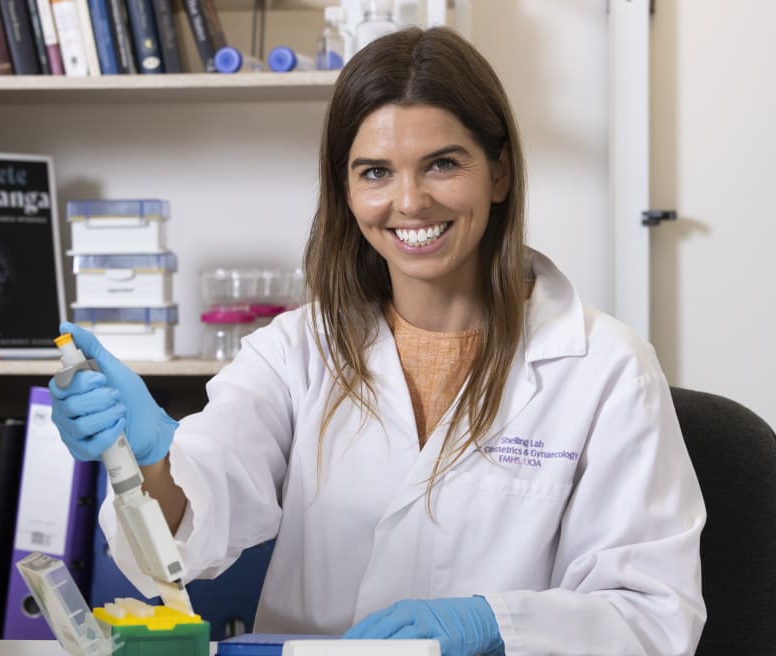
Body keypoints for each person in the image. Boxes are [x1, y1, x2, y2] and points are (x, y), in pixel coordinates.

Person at [50, 26, 706, 656]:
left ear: (499, 175)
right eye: (375, 172)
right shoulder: (297, 350)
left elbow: (653, 617)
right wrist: (150, 459)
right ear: (345, 188)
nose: (410, 201)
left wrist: (494, 624)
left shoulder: (607, 369)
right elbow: (187, 536)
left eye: (442, 164)